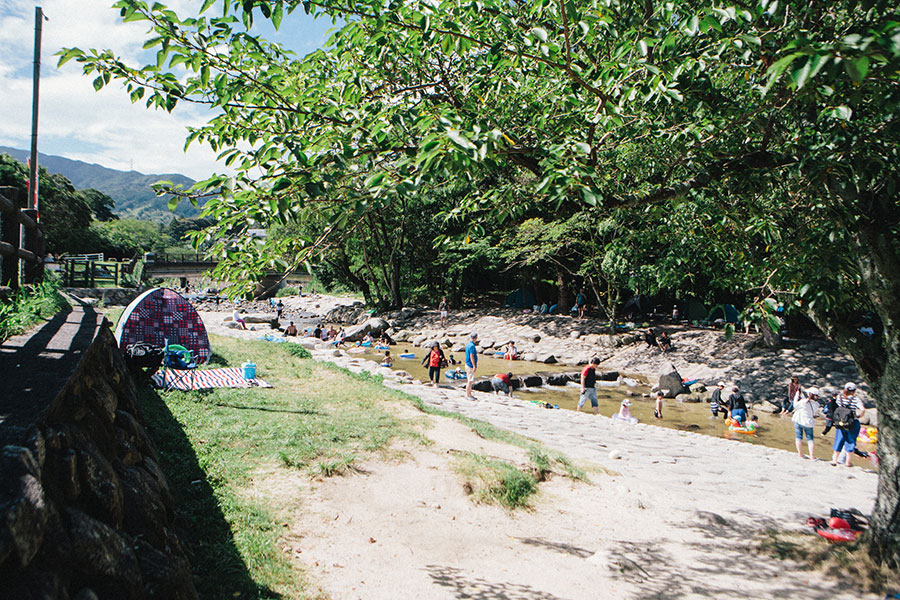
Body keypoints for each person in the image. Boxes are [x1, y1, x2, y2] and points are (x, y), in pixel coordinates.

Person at [831, 382, 865, 467]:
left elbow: (838, 406)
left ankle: (835, 461)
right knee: (850, 441)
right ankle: (847, 462)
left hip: (840, 421)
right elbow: (862, 409)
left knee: (838, 440)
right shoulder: (855, 399)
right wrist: (860, 415)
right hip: (851, 422)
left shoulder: (839, 397)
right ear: (854, 391)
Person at [793, 386, 819, 459]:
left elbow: (795, 405)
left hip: (798, 420)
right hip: (808, 423)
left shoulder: (803, 402)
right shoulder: (817, 405)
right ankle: (812, 456)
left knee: (798, 437)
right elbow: (808, 401)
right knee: (810, 439)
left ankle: (800, 454)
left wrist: (797, 394)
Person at [464, 333, 479, 400]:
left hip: (467, 364)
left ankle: (469, 394)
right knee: (470, 381)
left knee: (469, 380)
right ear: (475, 338)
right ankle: (468, 395)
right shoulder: (472, 346)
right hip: (470, 365)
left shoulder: (468, 345)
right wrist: (474, 366)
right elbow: (471, 356)